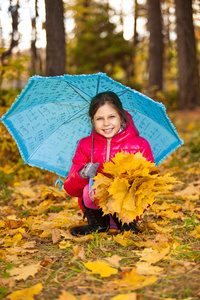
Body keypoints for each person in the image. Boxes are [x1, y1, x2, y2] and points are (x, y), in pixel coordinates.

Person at [64, 91, 154, 236]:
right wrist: (82, 174)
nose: (106, 123)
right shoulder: (86, 145)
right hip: (98, 205)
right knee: (89, 188)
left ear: (121, 118)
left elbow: (149, 186)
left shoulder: (140, 145)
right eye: (99, 118)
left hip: (126, 208)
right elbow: (71, 189)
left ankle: (127, 226)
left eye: (111, 117)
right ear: (92, 121)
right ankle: (98, 225)